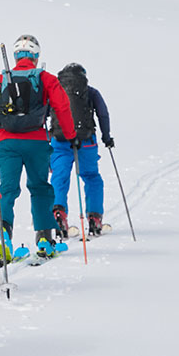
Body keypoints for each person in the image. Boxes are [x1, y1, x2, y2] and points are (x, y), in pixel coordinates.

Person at [0, 35, 77, 261]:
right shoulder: (46, 78)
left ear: (15, 56)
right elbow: (62, 107)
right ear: (36, 56)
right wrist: (69, 135)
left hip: (5, 142)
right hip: (37, 142)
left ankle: (2, 232)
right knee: (40, 187)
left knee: (7, 188)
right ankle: (44, 238)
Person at [49, 63, 114, 238]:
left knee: (59, 176)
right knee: (92, 177)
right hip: (86, 141)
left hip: (59, 141)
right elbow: (103, 114)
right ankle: (94, 217)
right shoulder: (91, 92)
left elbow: (45, 114)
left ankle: (58, 213)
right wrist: (106, 137)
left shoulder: (55, 90)